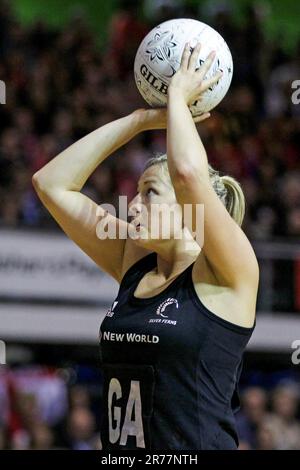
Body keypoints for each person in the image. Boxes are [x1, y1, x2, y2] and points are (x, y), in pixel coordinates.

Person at [32, 42, 259, 450]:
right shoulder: (134, 262)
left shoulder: (229, 272)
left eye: (149, 193)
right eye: (134, 193)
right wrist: (138, 121)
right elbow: (51, 184)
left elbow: (188, 172)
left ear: (189, 206)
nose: (132, 206)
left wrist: (176, 96)